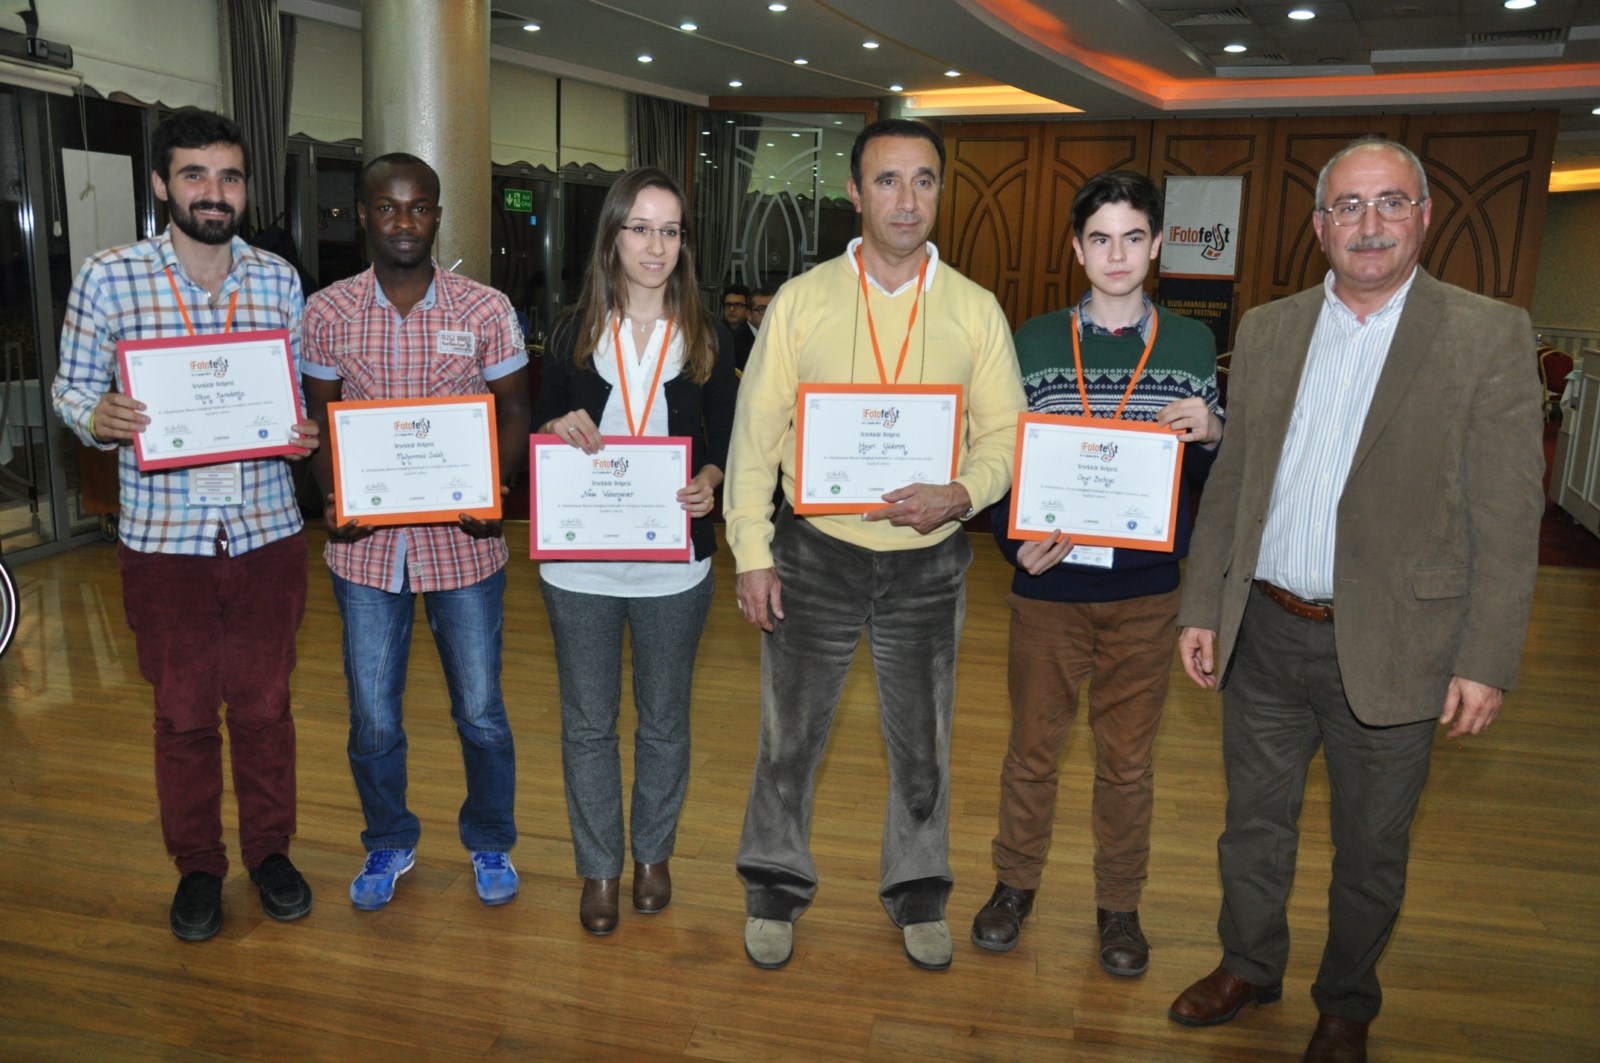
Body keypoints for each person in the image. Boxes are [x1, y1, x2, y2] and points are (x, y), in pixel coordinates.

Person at [1168, 137, 1544, 1063]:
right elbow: (1236, 480)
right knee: (1252, 827)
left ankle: (1345, 1003)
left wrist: (1486, 658)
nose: (1369, 224)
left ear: (1424, 216)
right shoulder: (1268, 328)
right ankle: (1249, 963)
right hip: (1264, 628)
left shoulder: (1486, 333)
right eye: (1348, 205)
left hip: (1399, 644)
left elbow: (1509, 514)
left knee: (1370, 849)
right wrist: (1202, 605)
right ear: (1319, 225)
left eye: (1390, 202)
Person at [727, 118, 1026, 972]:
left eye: (924, 180)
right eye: (887, 180)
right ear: (855, 193)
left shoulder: (974, 308)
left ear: (941, 192)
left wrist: (961, 492)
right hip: (814, 553)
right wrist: (752, 551)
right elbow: (755, 435)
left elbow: (1007, 435)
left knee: (923, 744)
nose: (906, 199)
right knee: (788, 739)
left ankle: (918, 892)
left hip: (928, 562)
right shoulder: (801, 300)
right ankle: (774, 888)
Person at [51, 107, 320, 941]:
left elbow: (292, 398)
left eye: (229, 176)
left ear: (245, 188)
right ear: (162, 184)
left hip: (267, 531)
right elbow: (69, 389)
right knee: (183, 714)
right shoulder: (109, 277)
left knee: (267, 708)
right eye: (195, 174)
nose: (214, 191)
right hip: (164, 542)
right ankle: (199, 866)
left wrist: (302, 431)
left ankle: (270, 853)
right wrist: (98, 414)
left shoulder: (278, 280)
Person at [970, 170, 1223, 975]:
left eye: (1134, 237)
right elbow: (1001, 457)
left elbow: (1213, 480)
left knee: (1127, 763)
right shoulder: (1034, 340)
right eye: (1101, 239)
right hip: (1049, 586)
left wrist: (1215, 432)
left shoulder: (1191, 344)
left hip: (1145, 593)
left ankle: (1120, 906)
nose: (1118, 255)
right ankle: (1014, 885)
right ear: (1077, 250)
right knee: (1031, 750)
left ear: (1158, 246)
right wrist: (1013, 545)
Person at [301, 153, 532, 912]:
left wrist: (494, 488)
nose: (405, 221)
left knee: (481, 710)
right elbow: (319, 419)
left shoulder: (485, 309)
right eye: (389, 207)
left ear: (438, 215)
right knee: (372, 715)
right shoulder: (327, 311)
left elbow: (514, 411)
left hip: (465, 547)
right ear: (363, 214)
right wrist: (331, 494)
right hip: (366, 552)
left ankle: (490, 838)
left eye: (420, 207)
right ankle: (388, 838)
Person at [534, 167, 737, 936]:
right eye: (641, 228)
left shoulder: (708, 335)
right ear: (612, 236)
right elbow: (540, 425)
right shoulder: (570, 332)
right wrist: (554, 427)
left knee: (664, 720)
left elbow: (726, 442)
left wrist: (711, 480)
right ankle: (599, 867)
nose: (656, 246)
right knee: (588, 722)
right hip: (579, 565)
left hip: (674, 564)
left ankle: (653, 853)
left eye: (671, 230)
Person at [722, 283, 756, 371]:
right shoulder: (716, 333)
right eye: (728, 305)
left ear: (748, 309)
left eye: (738, 305)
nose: (732, 309)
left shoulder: (754, 334)